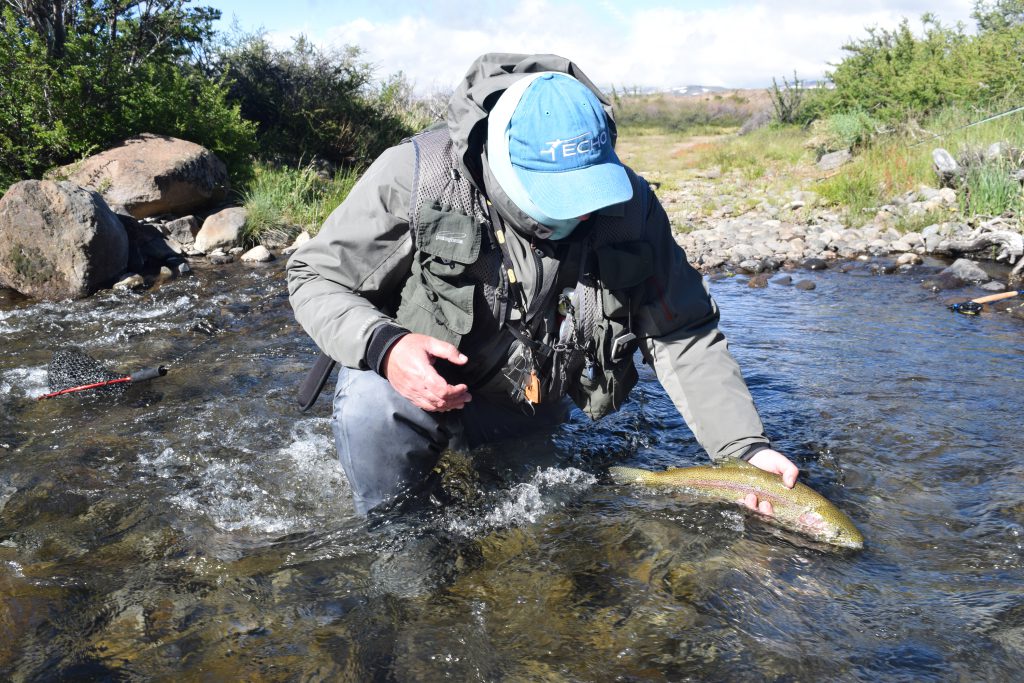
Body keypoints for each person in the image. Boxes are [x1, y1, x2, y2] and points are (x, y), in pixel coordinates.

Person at [287, 53, 798, 516]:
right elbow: (314, 275)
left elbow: (682, 332)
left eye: (587, 192)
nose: (581, 213)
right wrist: (385, 347)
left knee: (540, 516)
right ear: (500, 159)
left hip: (522, 404)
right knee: (374, 409)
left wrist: (745, 450)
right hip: (410, 391)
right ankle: (394, 532)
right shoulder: (417, 176)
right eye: (557, 196)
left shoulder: (630, 208)